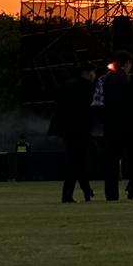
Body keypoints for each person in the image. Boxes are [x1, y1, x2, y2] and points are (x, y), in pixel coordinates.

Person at [49, 61, 97, 203]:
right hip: (80, 129)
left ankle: (86, 191)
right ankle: (69, 194)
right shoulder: (87, 88)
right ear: (86, 73)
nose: (94, 75)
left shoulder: (68, 85)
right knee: (77, 162)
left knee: (77, 161)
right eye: (92, 72)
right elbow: (89, 111)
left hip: (67, 129)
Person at [101, 52, 133, 200]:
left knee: (111, 161)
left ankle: (111, 194)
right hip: (129, 123)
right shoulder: (130, 79)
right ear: (126, 64)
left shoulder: (103, 80)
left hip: (109, 125)